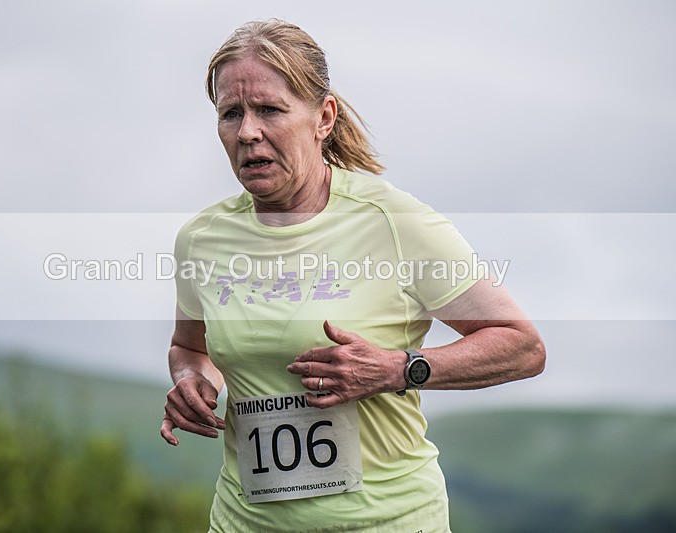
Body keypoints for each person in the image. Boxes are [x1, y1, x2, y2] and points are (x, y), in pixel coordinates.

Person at [160, 19, 545, 532]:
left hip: (388, 521)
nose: (248, 131)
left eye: (269, 110)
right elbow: (191, 348)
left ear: (323, 118)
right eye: (231, 113)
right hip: (243, 521)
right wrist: (192, 382)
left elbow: (522, 346)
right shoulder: (201, 239)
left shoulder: (394, 223)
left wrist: (397, 369)